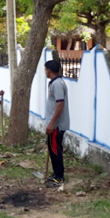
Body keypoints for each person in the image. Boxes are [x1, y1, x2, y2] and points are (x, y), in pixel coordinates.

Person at [44, 60, 70, 188]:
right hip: (53, 124)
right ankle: (56, 174)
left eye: (45, 69)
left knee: (55, 151)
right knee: (53, 149)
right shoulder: (55, 83)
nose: (45, 72)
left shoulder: (58, 85)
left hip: (56, 125)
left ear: (49, 70)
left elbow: (60, 104)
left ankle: (59, 178)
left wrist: (52, 123)